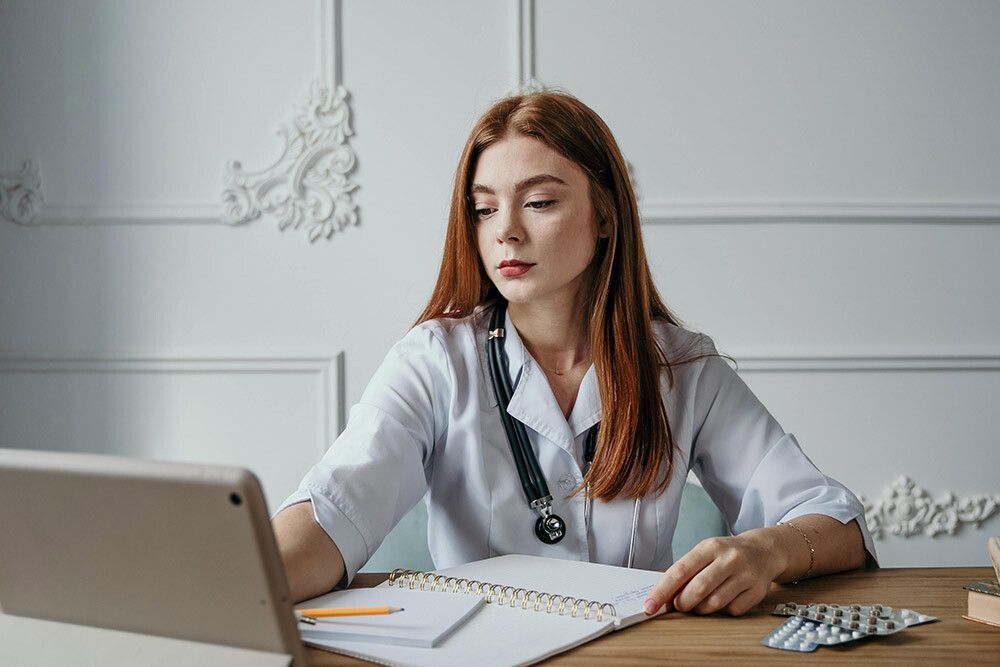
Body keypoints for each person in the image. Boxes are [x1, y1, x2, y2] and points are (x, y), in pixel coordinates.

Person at [272, 90, 876, 617]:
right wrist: (247, 583)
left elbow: (837, 521)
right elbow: (333, 511)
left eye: (538, 202)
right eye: (484, 210)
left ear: (606, 215)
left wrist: (763, 551)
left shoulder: (683, 369)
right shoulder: (434, 361)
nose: (505, 230)